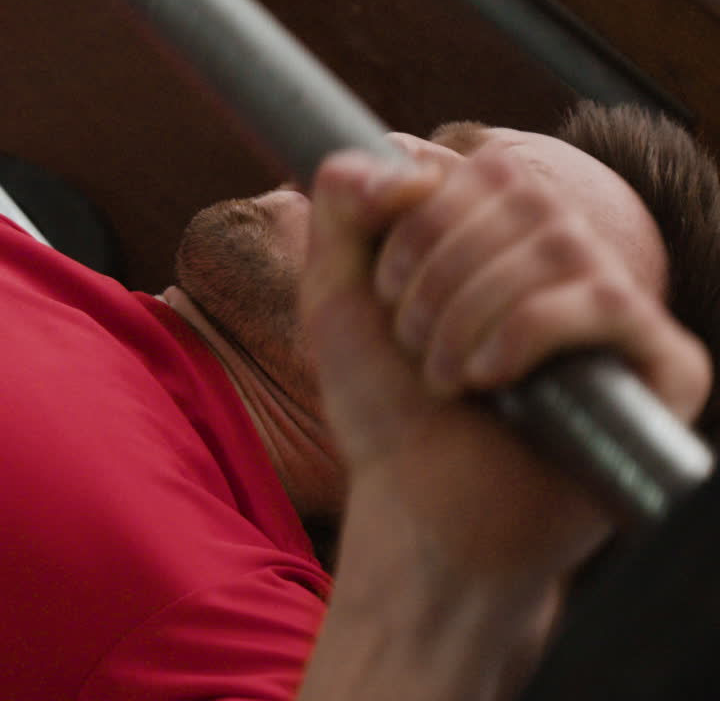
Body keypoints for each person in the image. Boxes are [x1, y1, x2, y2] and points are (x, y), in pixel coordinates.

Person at [0, 108, 712, 699]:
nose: (396, 151)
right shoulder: (44, 268)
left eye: (483, 231)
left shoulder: (239, 628)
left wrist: (458, 581)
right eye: (441, 147)